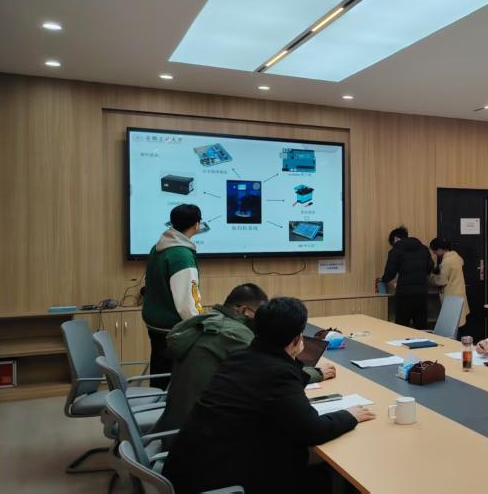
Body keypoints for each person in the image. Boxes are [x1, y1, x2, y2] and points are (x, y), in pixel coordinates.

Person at [162, 297, 375, 493]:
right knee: (316, 472)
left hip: (187, 469)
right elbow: (313, 430)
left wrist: (292, 359)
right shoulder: (279, 373)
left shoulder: (240, 357)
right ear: (297, 339)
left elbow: (271, 387)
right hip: (223, 481)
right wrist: (350, 415)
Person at [153, 283, 335, 433]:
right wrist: (314, 373)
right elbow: (271, 375)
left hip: (176, 423)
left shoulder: (208, 319)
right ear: (243, 310)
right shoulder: (234, 334)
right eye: (259, 313)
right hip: (202, 434)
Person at [142, 204, 204, 389]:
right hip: (173, 330)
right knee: (173, 381)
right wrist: (202, 326)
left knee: (159, 372)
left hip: (156, 324)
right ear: (197, 225)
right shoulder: (181, 255)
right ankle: (164, 405)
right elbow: (187, 304)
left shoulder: (158, 247)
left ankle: (156, 403)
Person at [376, 226, 433, 329]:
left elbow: (390, 272)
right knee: (421, 326)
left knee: (402, 327)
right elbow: (430, 268)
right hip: (422, 292)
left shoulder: (395, 250)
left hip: (404, 293)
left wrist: (383, 279)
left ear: (396, 238)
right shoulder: (424, 249)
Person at [428, 238, 468, 332]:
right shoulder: (456, 257)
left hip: (451, 294)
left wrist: (431, 278)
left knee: (451, 324)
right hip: (459, 292)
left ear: (440, 249)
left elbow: (442, 281)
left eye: (434, 250)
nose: (434, 253)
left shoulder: (446, 261)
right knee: (457, 323)